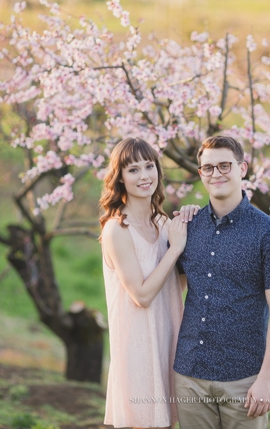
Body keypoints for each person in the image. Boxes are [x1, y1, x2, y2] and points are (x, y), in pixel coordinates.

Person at [174, 135, 270, 428]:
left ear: (242, 169)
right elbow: (172, 293)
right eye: (208, 168)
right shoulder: (186, 227)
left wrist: (267, 379)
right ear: (201, 173)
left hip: (244, 379)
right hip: (189, 375)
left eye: (224, 166)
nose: (216, 174)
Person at [99, 137, 187, 429]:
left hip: (167, 343)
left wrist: (192, 227)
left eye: (149, 166)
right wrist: (175, 249)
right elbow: (142, 296)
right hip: (137, 350)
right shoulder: (116, 230)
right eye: (133, 169)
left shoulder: (163, 225)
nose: (144, 176)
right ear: (120, 178)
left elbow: (174, 287)